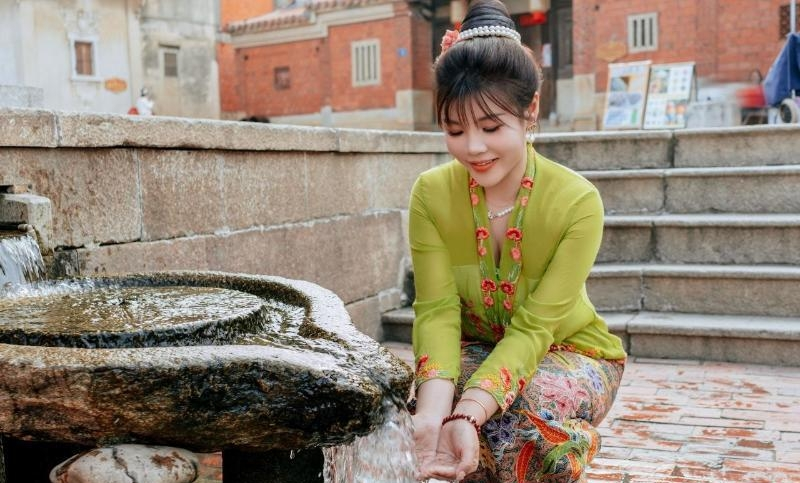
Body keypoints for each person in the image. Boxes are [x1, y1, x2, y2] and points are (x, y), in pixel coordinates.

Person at [408, 1, 627, 482]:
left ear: (530, 111)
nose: (473, 148)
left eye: (490, 127)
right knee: (414, 408)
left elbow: (535, 329)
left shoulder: (577, 202)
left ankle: (570, 443)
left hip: (569, 352)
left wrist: (470, 413)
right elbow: (437, 311)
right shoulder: (430, 194)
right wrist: (431, 416)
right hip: (474, 348)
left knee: (514, 425)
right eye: (454, 129)